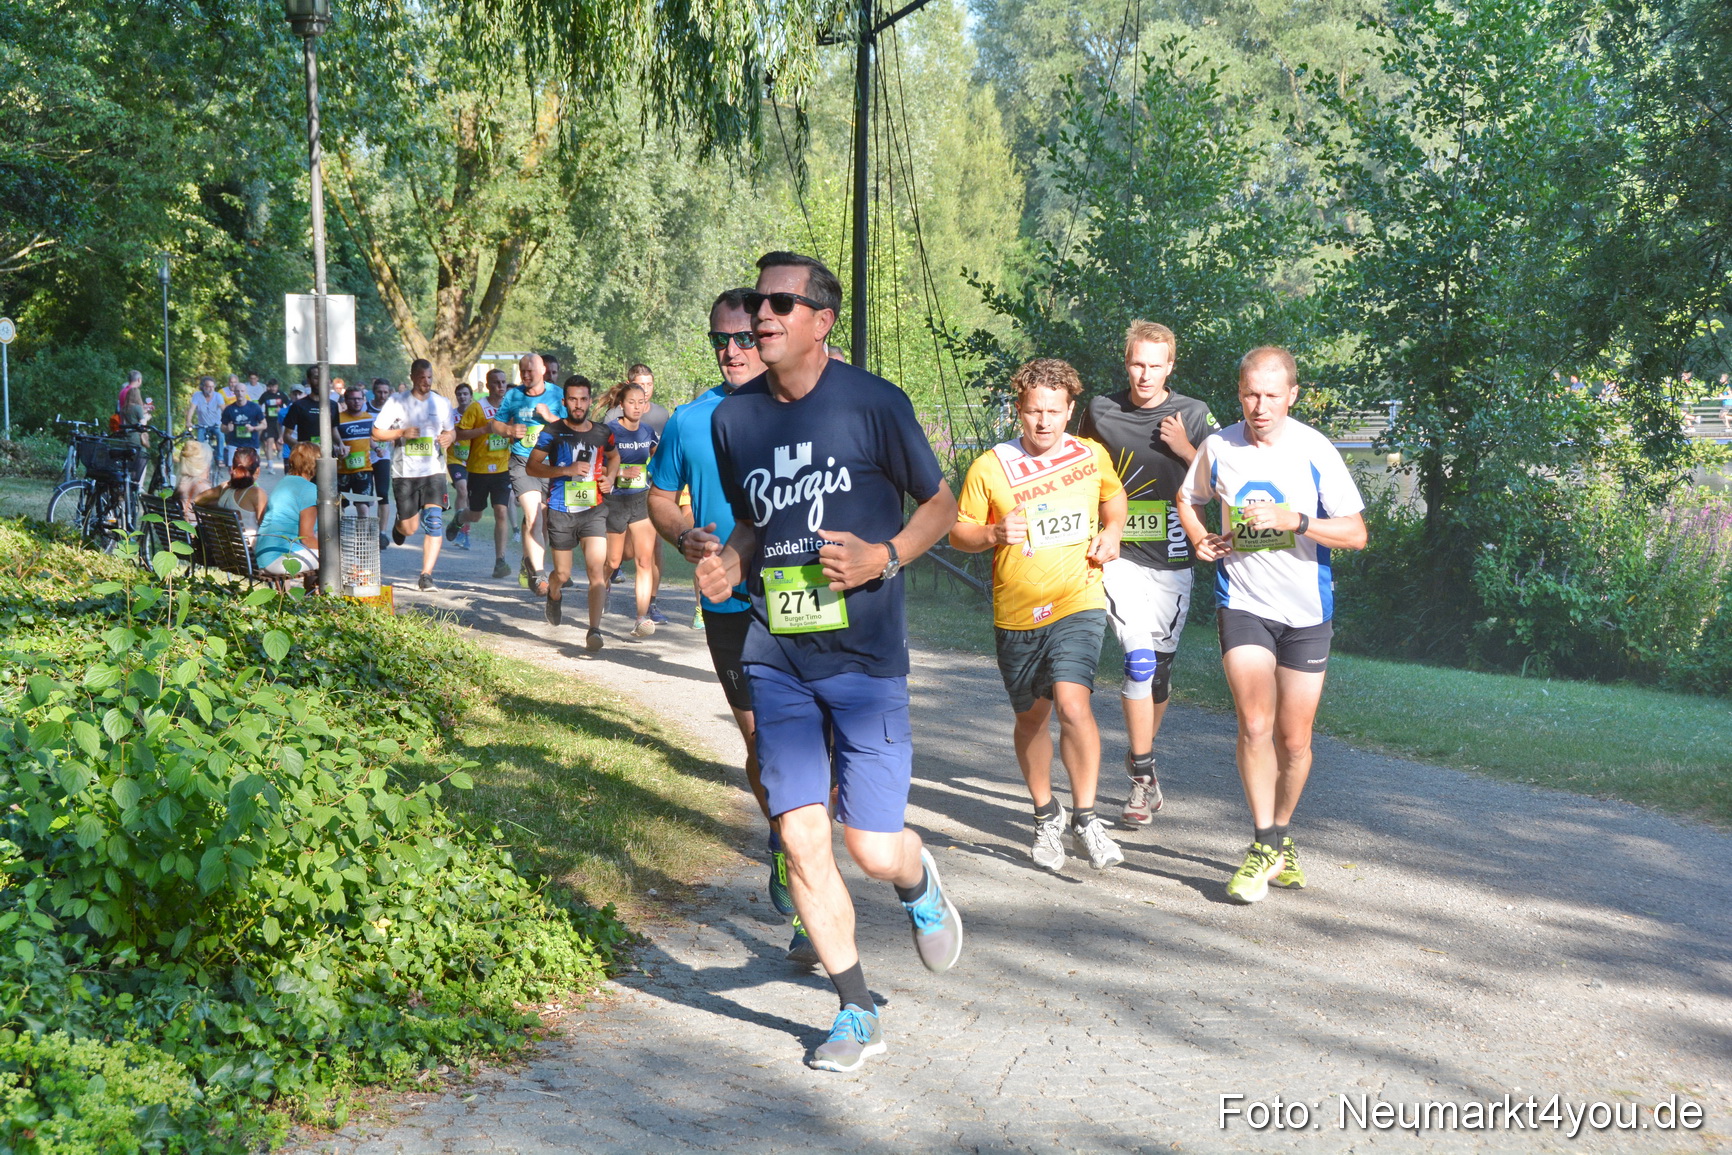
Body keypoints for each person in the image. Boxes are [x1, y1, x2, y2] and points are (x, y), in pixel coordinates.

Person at [696, 251, 963, 1073]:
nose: (761, 315)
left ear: (822, 319)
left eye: (780, 302)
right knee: (800, 831)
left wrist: (885, 557)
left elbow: (942, 504)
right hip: (775, 652)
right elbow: (750, 521)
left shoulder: (876, 404)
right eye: (754, 301)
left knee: (870, 846)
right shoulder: (734, 420)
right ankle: (854, 1009)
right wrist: (731, 561)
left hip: (866, 657)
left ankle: (916, 881)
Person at [650, 287, 818, 961]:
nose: (732, 350)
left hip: (805, 592)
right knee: (765, 748)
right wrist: (683, 534)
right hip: (729, 603)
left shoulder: (804, 405)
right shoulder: (689, 421)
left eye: (745, 337)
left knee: (813, 746)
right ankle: (785, 836)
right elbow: (660, 497)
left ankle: (812, 897)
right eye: (721, 339)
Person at [1176, 347, 1368, 905]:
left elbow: (1356, 534)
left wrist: (1296, 521)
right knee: (1255, 725)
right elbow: (1189, 496)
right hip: (1244, 603)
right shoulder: (1218, 446)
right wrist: (1197, 537)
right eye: (1249, 395)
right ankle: (1263, 842)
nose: (1259, 406)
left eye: (1270, 395)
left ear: (1292, 395)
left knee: (1295, 739)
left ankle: (1282, 834)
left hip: (1308, 612)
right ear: (1239, 394)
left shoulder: (1315, 449)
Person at [951, 357, 1128, 872]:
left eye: (1054, 410)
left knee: (1074, 703)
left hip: (1080, 597)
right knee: (1032, 716)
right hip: (1017, 610)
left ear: (1070, 410)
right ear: (1019, 412)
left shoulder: (1090, 455)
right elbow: (958, 532)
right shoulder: (990, 466)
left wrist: (1113, 532)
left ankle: (1087, 818)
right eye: (1033, 411)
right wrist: (991, 534)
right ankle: (1045, 813)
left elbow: (1113, 503)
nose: (1043, 421)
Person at [1075, 321, 1219, 825]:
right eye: (1137, 363)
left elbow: (1225, 482)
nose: (1145, 374)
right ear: (1126, 361)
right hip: (1118, 557)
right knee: (1137, 662)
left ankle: (1143, 761)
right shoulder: (1101, 410)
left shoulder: (1194, 414)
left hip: (1174, 561)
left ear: (1170, 367)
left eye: (1155, 366)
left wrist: (1185, 448)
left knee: (1158, 673)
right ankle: (1141, 774)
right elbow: (1078, 472)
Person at [526, 375, 619, 648]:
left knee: (597, 571)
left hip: (594, 509)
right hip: (560, 510)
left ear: (590, 401)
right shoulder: (552, 432)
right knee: (563, 574)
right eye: (573, 399)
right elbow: (533, 467)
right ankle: (553, 593)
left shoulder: (603, 432)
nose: (578, 405)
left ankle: (594, 631)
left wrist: (611, 477)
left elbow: (614, 456)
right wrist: (564, 470)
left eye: (583, 399)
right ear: (565, 401)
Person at [372, 359, 457, 592]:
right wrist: (401, 432)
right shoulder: (397, 402)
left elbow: (451, 431)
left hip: (434, 471)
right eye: (421, 378)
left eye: (429, 378)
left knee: (434, 522)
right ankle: (399, 527)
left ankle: (426, 575)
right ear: (412, 377)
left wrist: (450, 437)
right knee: (410, 528)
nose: (426, 382)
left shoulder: (441, 403)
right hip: (405, 473)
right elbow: (376, 432)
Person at [491, 353, 562, 594]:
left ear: (543, 370)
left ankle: (528, 561)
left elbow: (572, 427)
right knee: (533, 516)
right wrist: (509, 429)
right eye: (523, 371)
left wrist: (550, 418)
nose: (526, 375)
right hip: (522, 462)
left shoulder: (558, 394)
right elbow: (496, 424)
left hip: (550, 463)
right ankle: (540, 575)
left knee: (544, 520)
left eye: (531, 370)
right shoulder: (513, 395)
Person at [603, 382, 660, 636]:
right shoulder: (609, 432)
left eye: (640, 403)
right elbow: (597, 468)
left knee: (644, 560)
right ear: (621, 405)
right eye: (631, 402)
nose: (636, 407)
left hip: (641, 500)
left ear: (645, 406)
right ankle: (601, 586)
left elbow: (659, 460)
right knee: (615, 559)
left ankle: (641, 617)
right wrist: (620, 472)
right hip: (615, 501)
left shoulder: (648, 432)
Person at [456, 368, 515, 578]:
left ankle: (500, 560)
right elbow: (459, 433)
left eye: (503, 382)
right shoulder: (476, 408)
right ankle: (459, 518)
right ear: (488, 385)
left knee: (501, 511)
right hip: (478, 469)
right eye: (496, 382)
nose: (501, 386)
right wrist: (484, 430)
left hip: (501, 468)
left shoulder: (510, 408)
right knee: (476, 514)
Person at [255, 442, 322, 583]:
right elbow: (306, 538)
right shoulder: (309, 489)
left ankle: (311, 598)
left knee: (322, 554)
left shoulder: (284, 482)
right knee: (338, 560)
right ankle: (324, 600)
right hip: (279, 559)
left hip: (264, 555)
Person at [194, 445, 268, 533]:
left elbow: (198, 499)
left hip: (221, 544)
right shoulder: (257, 493)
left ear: (233, 468)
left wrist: (220, 509)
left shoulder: (224, 487)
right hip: (248, 546)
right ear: (257, 470)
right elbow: (266, 527)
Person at [282, 366, 338, 454]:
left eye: (323, 377)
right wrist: (303, 448)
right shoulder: (298, 405)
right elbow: (286, 436)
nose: (320, 381)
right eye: (316, 378)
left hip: (328, 457)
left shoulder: (333, 405)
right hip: (305, 459)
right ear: (308, 380)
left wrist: (341, 444)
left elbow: (334, 430)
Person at [335, 385, 379, 496]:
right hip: (342, 470)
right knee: (339, 505)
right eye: (353, 399)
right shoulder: (338, 418)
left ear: (363, 400)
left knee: (363, 504)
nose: (357, 402)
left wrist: (376, 448)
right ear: (346, 400)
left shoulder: (368, 418)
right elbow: (332, 440)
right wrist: (337, 449)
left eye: (359, 399)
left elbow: (368, 437)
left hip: (364, 468)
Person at [445, 383, 474, 549]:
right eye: (459, 394)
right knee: (462, 490)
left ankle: (464, 530)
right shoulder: (451, 415)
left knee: (469, 497)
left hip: (473, 461)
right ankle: (460, 531)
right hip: (455, 460)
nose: (462, 397)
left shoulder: (476, 414)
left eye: (465, 394)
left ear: (471, 396)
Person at [368, 378, 396, 546]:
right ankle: (363, 531)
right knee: (364, 498)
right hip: (364, 457)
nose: (382, 395)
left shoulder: (392, 411)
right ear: (374, 391)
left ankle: (382, 533)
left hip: (382, 457)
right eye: (379, 392)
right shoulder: (365, 407)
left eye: (386, 392)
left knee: (383, 494)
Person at [221, 388, 265, 471]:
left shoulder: (254, 407)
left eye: (242, 391)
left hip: (252, 443)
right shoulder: (229, 409)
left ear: (246, 392)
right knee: (232, 470)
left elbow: (264, 425)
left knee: (253, 470)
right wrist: (227, 428)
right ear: (234, 393)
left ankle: (252, 483)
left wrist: (253, 428)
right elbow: (222, 428)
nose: (240, 393)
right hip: (234, 443)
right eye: (237, 391)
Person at [185, 376, 226, 462]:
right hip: (202, 425)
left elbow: (224, 410)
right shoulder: (197, 395)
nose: (211, 389)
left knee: (220, 435)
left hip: (216, 424)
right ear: (203, 387)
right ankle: (201, 460)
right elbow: (191, 409)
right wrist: (188, 421)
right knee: (199, 441)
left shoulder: (218, 396)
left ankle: (220, 458)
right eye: (208, 386)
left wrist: (226, 422)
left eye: (213, 386)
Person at [173, 438, 213, 520]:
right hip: (196, 531)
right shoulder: (203, 489)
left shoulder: (181, 484)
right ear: (204, 465)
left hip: (178, 531)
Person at [259, 378, 288, 469]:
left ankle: (280, 452)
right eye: (271, 386)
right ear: (269, 387)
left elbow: (288, 406)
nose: (273, 388)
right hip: (269, 421)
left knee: (279, 444)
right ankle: (270, 463)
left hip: (279, 421)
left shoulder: (282, 394)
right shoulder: (265, 395)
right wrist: (261, 413)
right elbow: (259, 404)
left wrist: (281, 410)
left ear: (277, 386)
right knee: (269, 441)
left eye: (275, 386)